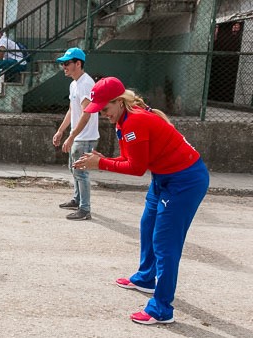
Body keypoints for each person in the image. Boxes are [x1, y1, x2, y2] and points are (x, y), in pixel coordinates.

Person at [73, 77, 209, 325]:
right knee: (148, 226)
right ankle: (147, 277)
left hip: (185, 182)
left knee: (166, 244)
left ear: (119, 102)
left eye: (105, 108)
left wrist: (100, 163)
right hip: (164, 178)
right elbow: (129, 158)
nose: (102, 114)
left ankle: (161, 309)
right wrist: (104, 159)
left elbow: (136, 169)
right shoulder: (123, 120)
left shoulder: (135, 122)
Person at [52, 47, 99, 220]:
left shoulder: (86, 83)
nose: (64, 67)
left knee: (81, 173)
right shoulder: (74, 84)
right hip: (79, 136)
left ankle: (85, 209)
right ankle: (77, 200)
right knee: (74, 170)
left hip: (85, 137)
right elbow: (73, 110)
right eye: (63, 64)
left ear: (78, 64)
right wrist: (61, 131)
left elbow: (86, 114)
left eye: (67, 63)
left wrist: (71, 137)